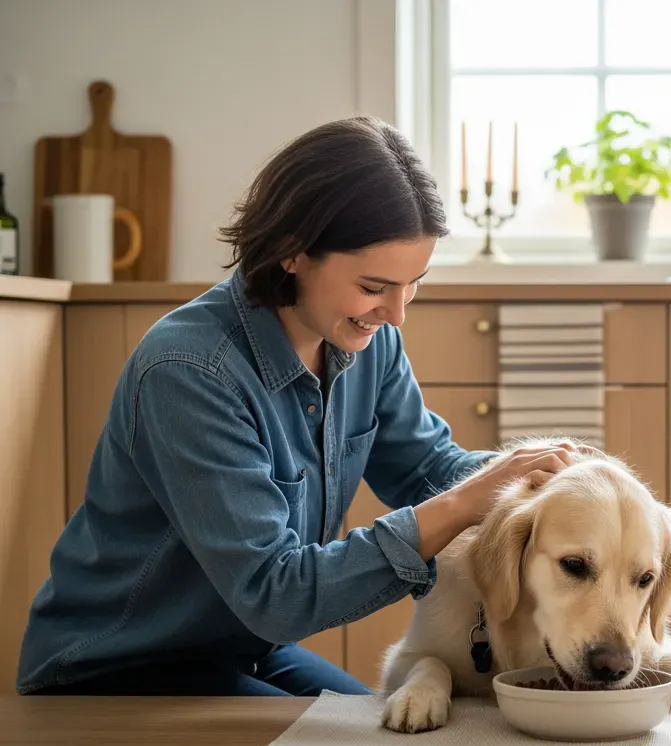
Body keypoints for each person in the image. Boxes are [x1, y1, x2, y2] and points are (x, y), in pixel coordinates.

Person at [16, 117, 575, 697]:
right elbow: (275, 593)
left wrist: (539, 478)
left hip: (243, 651)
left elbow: (424, 467)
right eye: (373, 286)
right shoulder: (188, 371)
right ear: (291, 252)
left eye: (414, 284)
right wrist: (463, 504)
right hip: (117, 667)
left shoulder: (369, 340)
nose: (396, 313)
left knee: (389, 745)